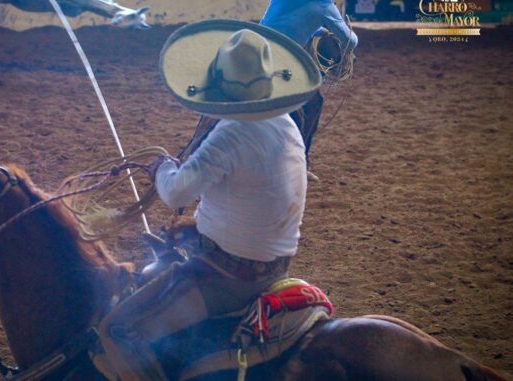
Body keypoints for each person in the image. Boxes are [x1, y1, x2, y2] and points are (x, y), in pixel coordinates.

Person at [97, 19, 321, 381]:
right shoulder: (286, 122)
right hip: (275, 263)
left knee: (116, 331)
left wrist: (162, 168)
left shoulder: (231, 134)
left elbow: (175, 193)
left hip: (229, 278)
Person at [261, 0, 358, 180]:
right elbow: (350, 41)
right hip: (285, 63)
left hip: (260, 53)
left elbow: (284, 23)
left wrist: (318, 29)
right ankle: (299, 162)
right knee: (313, 104)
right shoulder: (323, 5)